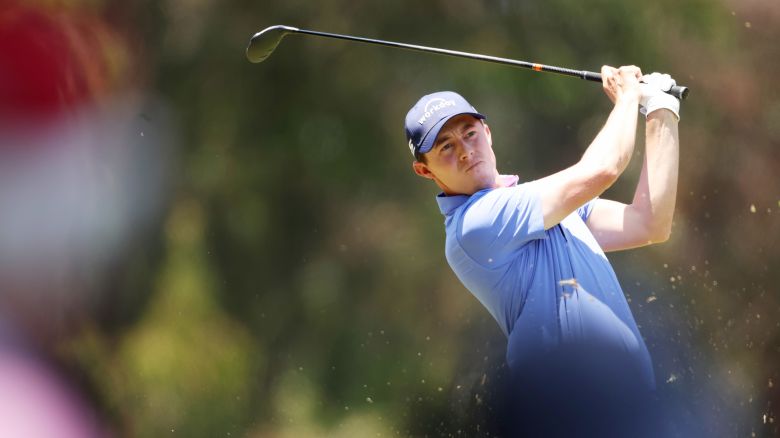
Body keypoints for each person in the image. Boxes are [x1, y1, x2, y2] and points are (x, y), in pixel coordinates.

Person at [404, 66, 680, 436]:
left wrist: (662, 111)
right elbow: (602, 169)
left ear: (487, 132)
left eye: (470, 134)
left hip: (628, 410)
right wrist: (629, 97)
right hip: (570, 412)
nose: (466, 151)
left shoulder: (547, 209)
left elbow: (649, 222)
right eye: (446, 148)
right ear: (425, 171)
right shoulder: (474, 224)